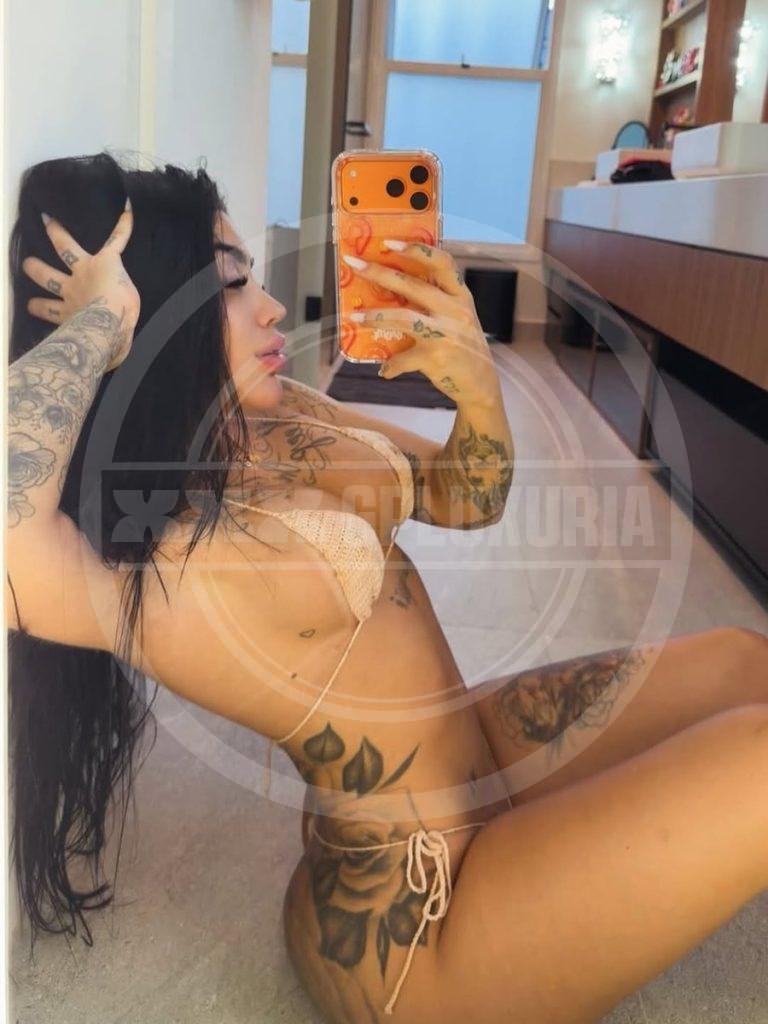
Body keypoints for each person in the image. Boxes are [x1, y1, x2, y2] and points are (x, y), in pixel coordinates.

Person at [7, 151, 768, 1024]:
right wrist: (99, 323)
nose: (271, 307)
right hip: (423, 918)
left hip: (478, 755)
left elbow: (467, 496)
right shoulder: (151, 563)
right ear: (152, 316)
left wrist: (475, 385)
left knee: (744, 661)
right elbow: (10, 542)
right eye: (231, 284)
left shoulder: (276, 417)